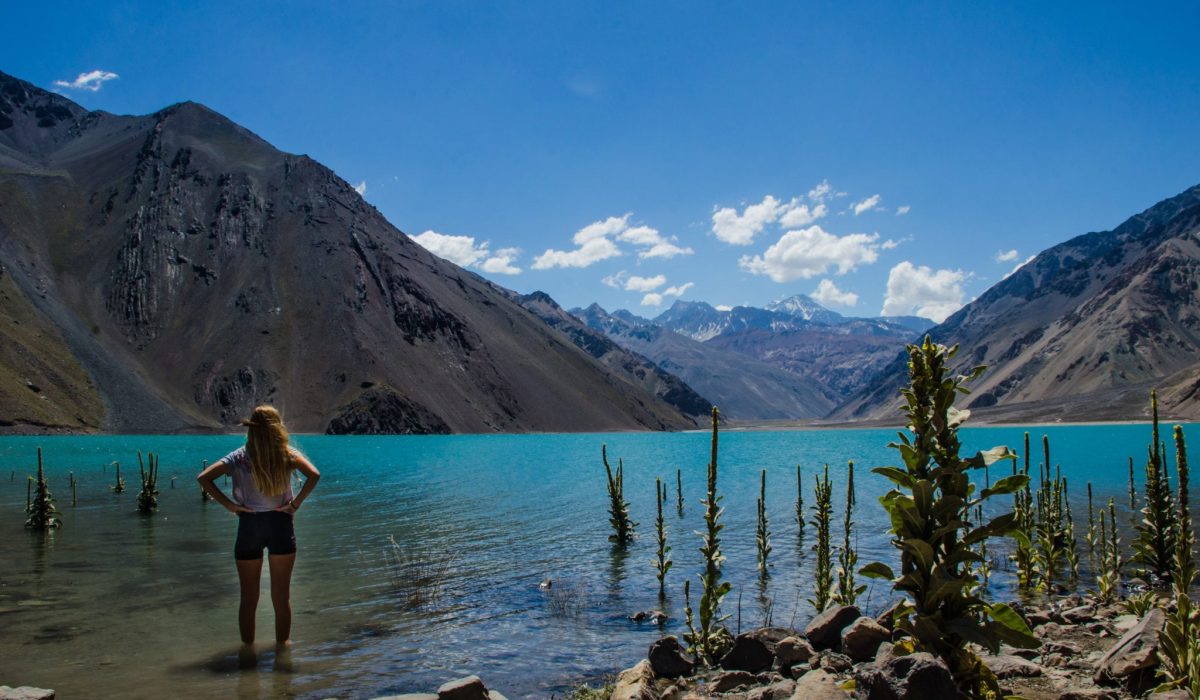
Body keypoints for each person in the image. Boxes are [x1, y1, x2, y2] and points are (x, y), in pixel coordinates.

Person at [197, 405, 320, 649]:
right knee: (281, 597)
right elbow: (314, 475)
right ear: (278, 428)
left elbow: (203, 478)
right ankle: (282, 650)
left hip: (249, 526)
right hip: (280, 524)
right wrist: (294, 505)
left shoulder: (239, 456)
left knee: (248, 598)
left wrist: (230, 506)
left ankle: (247, 653)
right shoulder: (286, 453)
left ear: (252, 429)